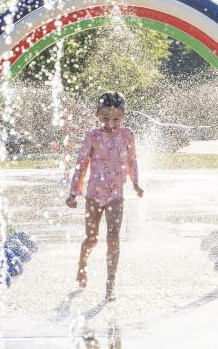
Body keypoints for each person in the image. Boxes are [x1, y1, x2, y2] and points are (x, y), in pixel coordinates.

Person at [65, 91, 144, 301]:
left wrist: (135, 183)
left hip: (116, 195)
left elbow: (132, 161)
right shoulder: (92, 136)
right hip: (93, 195)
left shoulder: (127, 134)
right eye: (105, 119)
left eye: (116, 119)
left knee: (113, 239)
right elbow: (81, 164)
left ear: (124, 116)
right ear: (97, 116)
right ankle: (82, 267)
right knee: (91, 239)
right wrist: (74, 192)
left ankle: (110, 283)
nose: (110, 123)